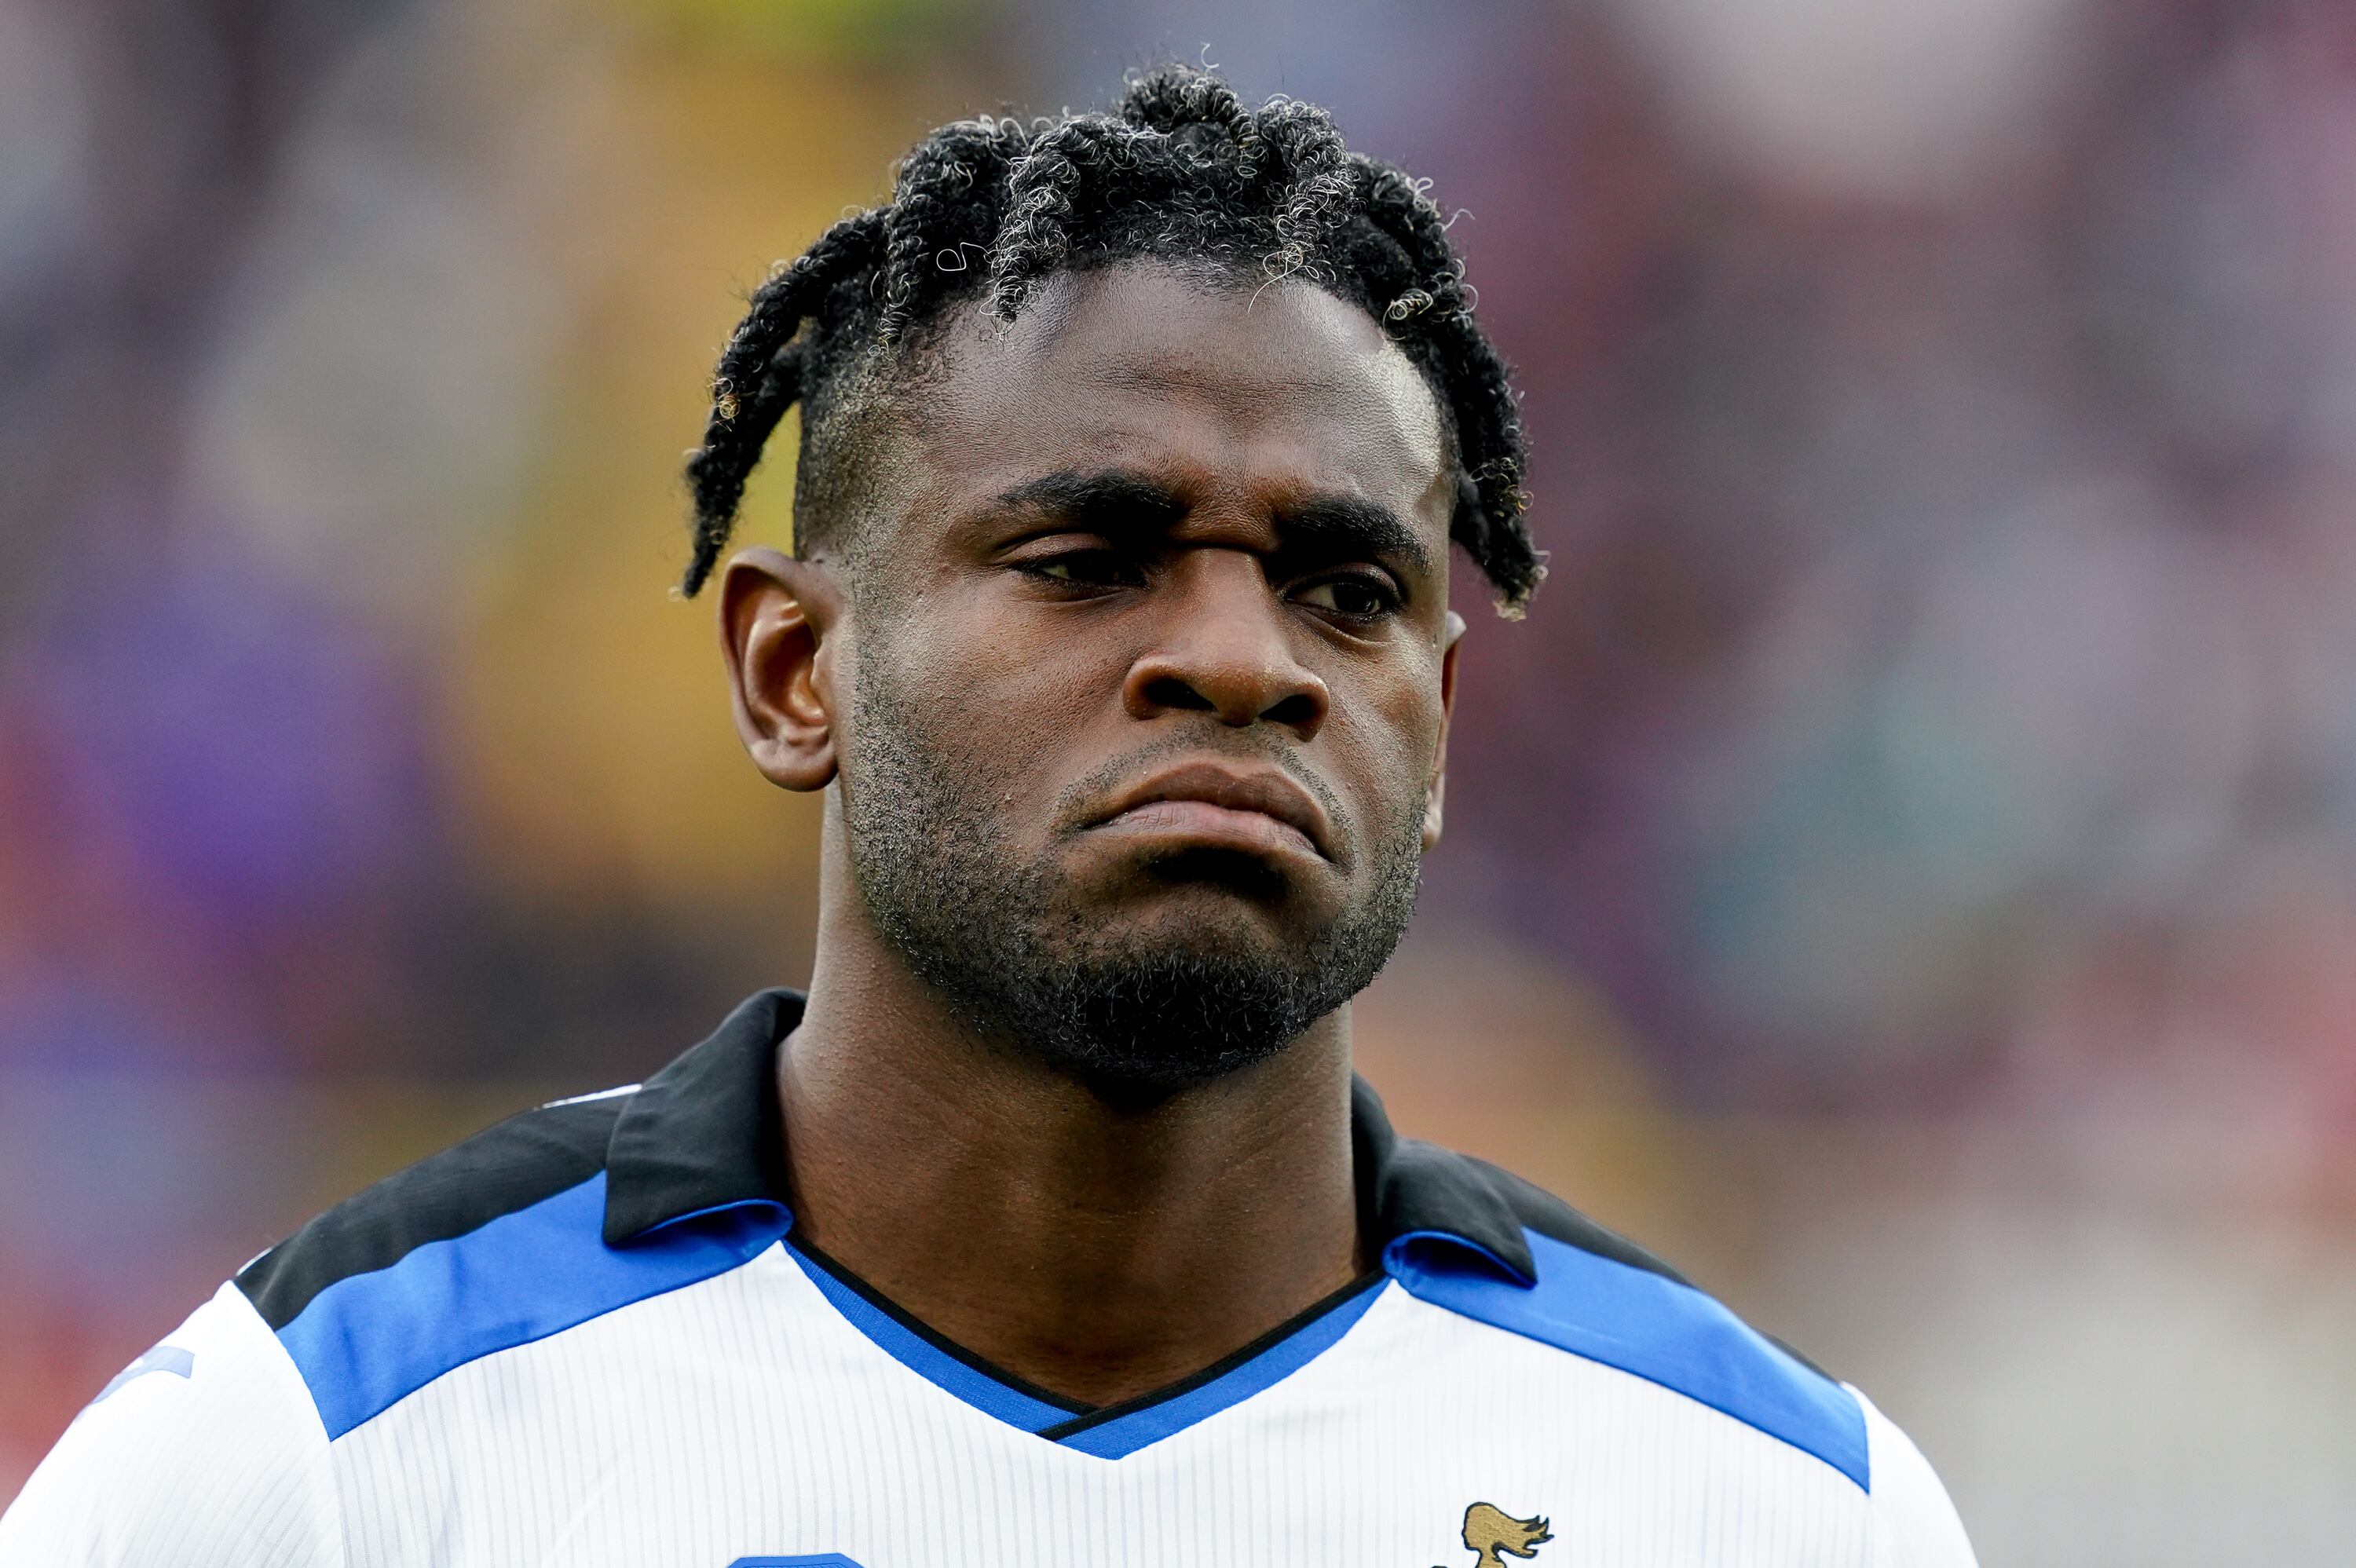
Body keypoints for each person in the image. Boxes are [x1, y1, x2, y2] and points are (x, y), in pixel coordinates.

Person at [0, 66, 1977, 1567]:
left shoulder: (1765, 1507)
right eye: (1091, 557)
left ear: (1439, 729)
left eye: (1348, 589)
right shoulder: (331, 1458)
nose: (1242, 658)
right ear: (793, 674)